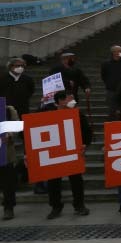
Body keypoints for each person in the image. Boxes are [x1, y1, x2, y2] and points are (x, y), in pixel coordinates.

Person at [46, 91, 91, 219]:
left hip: (73, 151)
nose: (73, 101)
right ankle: (55, 207)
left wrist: (84, 145)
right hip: (54, 151)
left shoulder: (78, 113)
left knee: (76, 180)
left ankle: (79, 205)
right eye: (69, 98)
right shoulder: (48, 113)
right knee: (53, 181)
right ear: (60, 101)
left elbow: (87, 131)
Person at [101, 45, 121, 120]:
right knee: (112, 111)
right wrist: (110, 84)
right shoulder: (106, 64)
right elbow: (103, 76)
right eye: (119, 51)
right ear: (114, 53)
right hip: (111, 91)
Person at [1, 103, 21, 220]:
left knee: (8, 182)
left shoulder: (8, 109)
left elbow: (16, 126)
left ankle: (8, 207)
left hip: (6, 152)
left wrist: (10, 134)